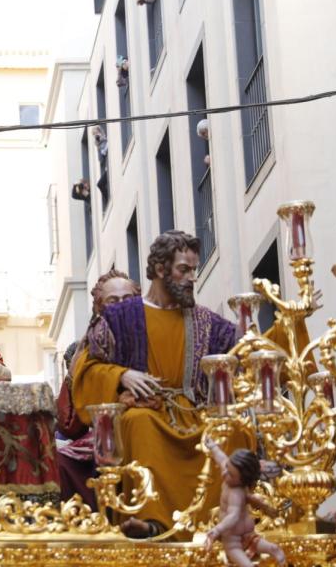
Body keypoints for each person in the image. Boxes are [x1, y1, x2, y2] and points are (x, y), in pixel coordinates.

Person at [71, 230, 256, 539]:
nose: (191, 278)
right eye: (184, 269)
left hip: (195, 413)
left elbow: (248, 351)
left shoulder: (205, 320)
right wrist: (121, 375)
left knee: (234, 429)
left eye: (193, 270)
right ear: (160, 269)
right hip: (149, 412)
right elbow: (86, 369)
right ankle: (151, 520)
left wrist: (292, 325)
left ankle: (222, 520)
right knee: (139, 423)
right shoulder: (119, 317)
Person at [56, 270, 141, 508]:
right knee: (62, 461)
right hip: (102, 430)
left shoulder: (152, 334)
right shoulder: (88, 348)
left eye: (128, 300)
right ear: (99, 308)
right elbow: (69, 420)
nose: (121, 306)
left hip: (145, 421)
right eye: (113, 301)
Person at [204, 437, 287, 567]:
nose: (225, 473)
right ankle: (273, 549)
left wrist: (216, 530)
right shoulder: (230, 470)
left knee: (237, 555)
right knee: (254, 542)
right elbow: (221, 459)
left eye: (231, 474)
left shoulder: (235, 492)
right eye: (227, 467)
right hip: (247, 531)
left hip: (233, 536)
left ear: (243, 481)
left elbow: (233, 516)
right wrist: (213, 447)